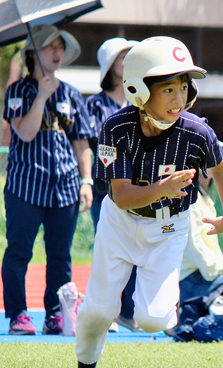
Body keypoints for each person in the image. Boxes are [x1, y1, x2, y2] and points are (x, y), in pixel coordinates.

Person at [59, 36, 223, 368]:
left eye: (184, 87)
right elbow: (122, 196)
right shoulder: (115, 127)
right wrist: (162, 187)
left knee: (153, 320)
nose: (179, 97)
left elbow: (220, 168)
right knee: (98, 309)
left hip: (169, 226)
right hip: (120, 223)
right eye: (168, 88)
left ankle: (162, 303)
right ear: (138, 89)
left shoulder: (196, 131)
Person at [2, 24, 95, 336]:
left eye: (60, 46)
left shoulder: (71, 93)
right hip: (24, 187)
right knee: (19, 252)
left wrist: (87, 181)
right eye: (49, 46)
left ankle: (55, 314)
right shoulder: (17, 91)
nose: (57, 52)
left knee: (60, 256)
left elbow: (82, 143)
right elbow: (25, 133)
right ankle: (18, 315)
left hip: (65, 189)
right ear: (33, 53)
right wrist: (41, 95)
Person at [86, 37, 140, 332]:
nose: (128, 62)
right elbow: (97, 146)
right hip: (104, 193)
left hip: (138, 192)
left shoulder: (140, 102)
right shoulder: (94, 104)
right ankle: (104, 311)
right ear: (110, 65)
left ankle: (128, 312)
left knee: (136, 252)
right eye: (123, 57)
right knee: (109, 253)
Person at [179, 141, 223, 304]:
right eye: (208, 156)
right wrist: (221, 270)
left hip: (201, 276)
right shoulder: (188, 199)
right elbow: (193, 247)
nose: (215, 160)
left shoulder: (204, 197)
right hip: (190, 280)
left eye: (219, 157)